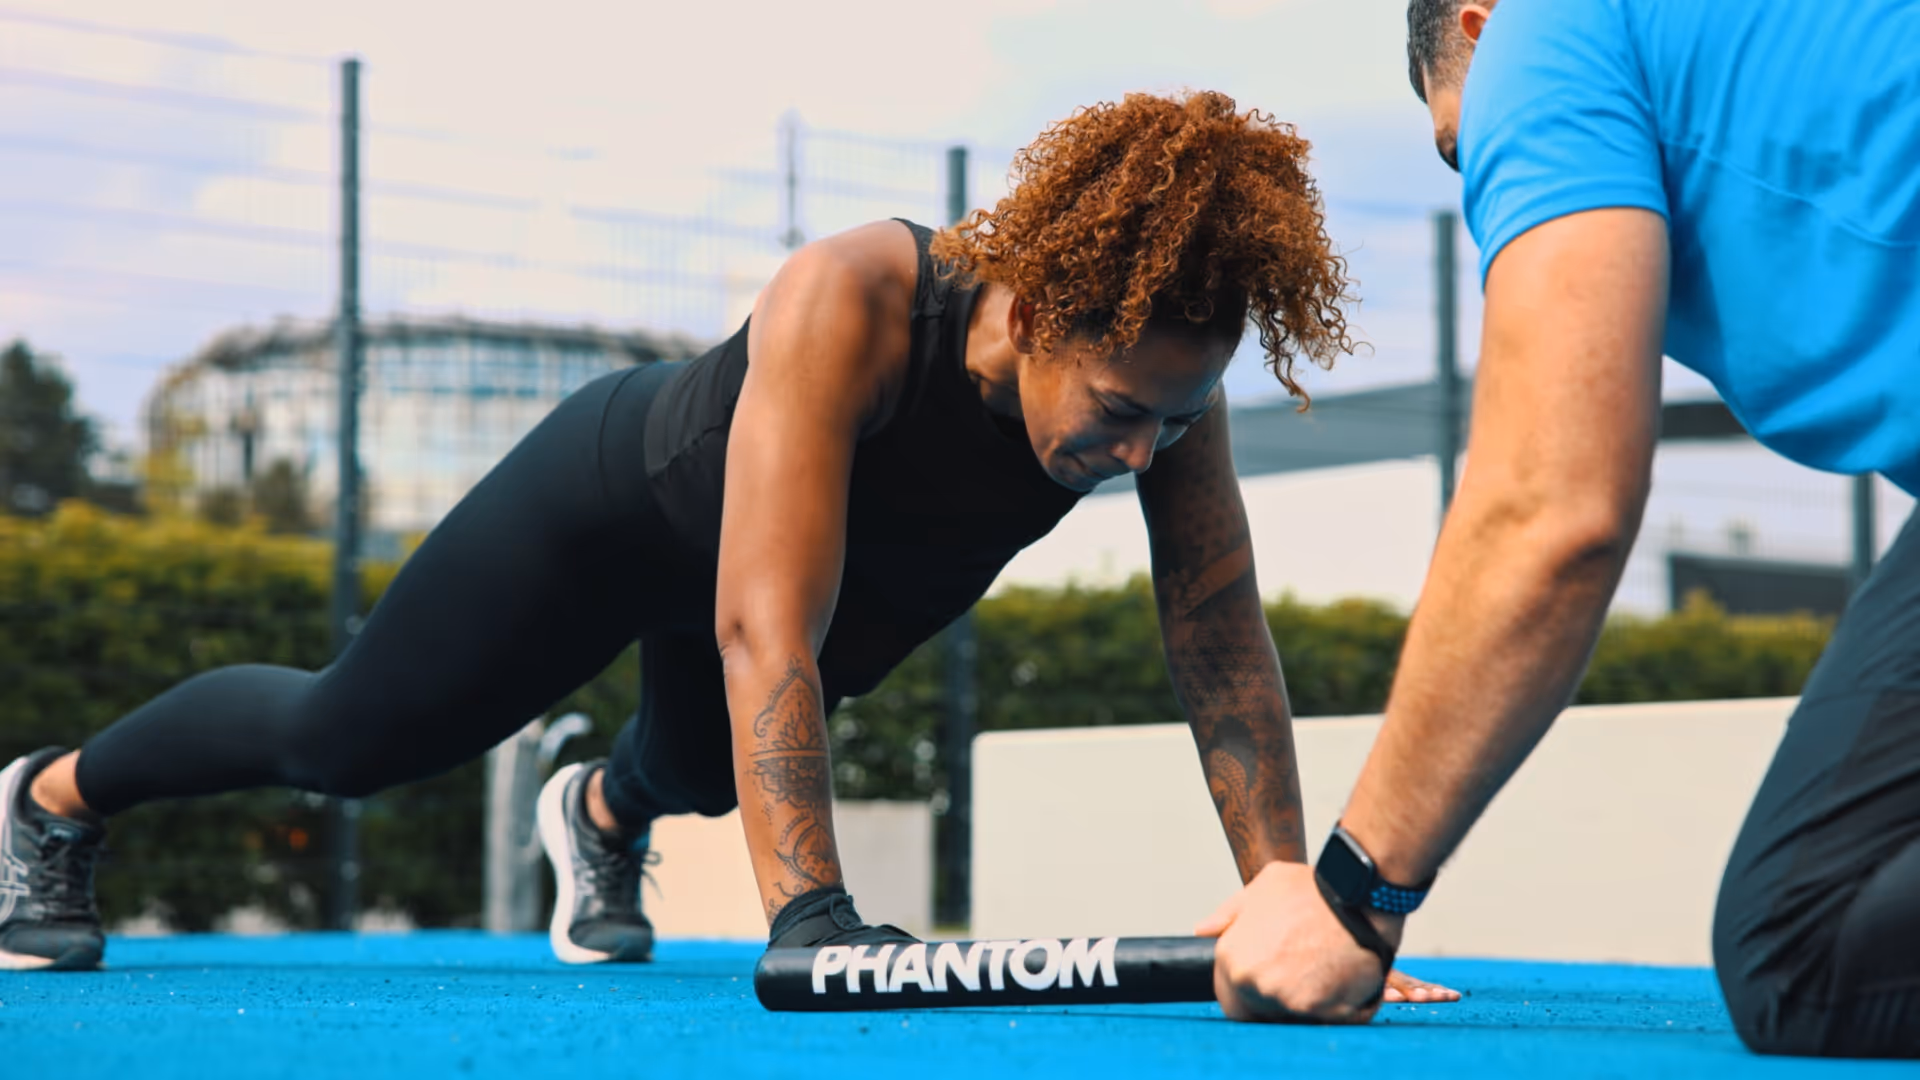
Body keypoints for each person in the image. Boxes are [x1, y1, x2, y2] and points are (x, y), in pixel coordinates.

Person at [0, 90, 1456, 1003]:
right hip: (612, 509)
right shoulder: (855, 297)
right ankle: (52, 799)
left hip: (830, 584)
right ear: (1036, 315)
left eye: (1175, 420)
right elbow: (765, 624)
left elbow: (1216, 635)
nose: (1144, 453)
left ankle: (598, 813)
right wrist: (814, 918)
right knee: (350, 739)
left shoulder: (1167, 395)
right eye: (1123, 414)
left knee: (700, 774)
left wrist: (1295, 899)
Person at [1202, 0, 1920, 1058]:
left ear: (1477, 25)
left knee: (1809, 946)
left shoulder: (1544, 34)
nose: (1489, 187)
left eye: (1464, 148)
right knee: (1812, 921)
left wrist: (1352, 898)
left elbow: (1553, 509)